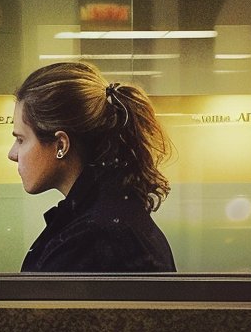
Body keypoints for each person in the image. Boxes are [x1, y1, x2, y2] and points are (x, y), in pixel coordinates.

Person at [9, 61, 176, 272]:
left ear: (61, 145)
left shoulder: (91, 239)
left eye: (21, 139)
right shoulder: (106, 218)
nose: (12, 154)